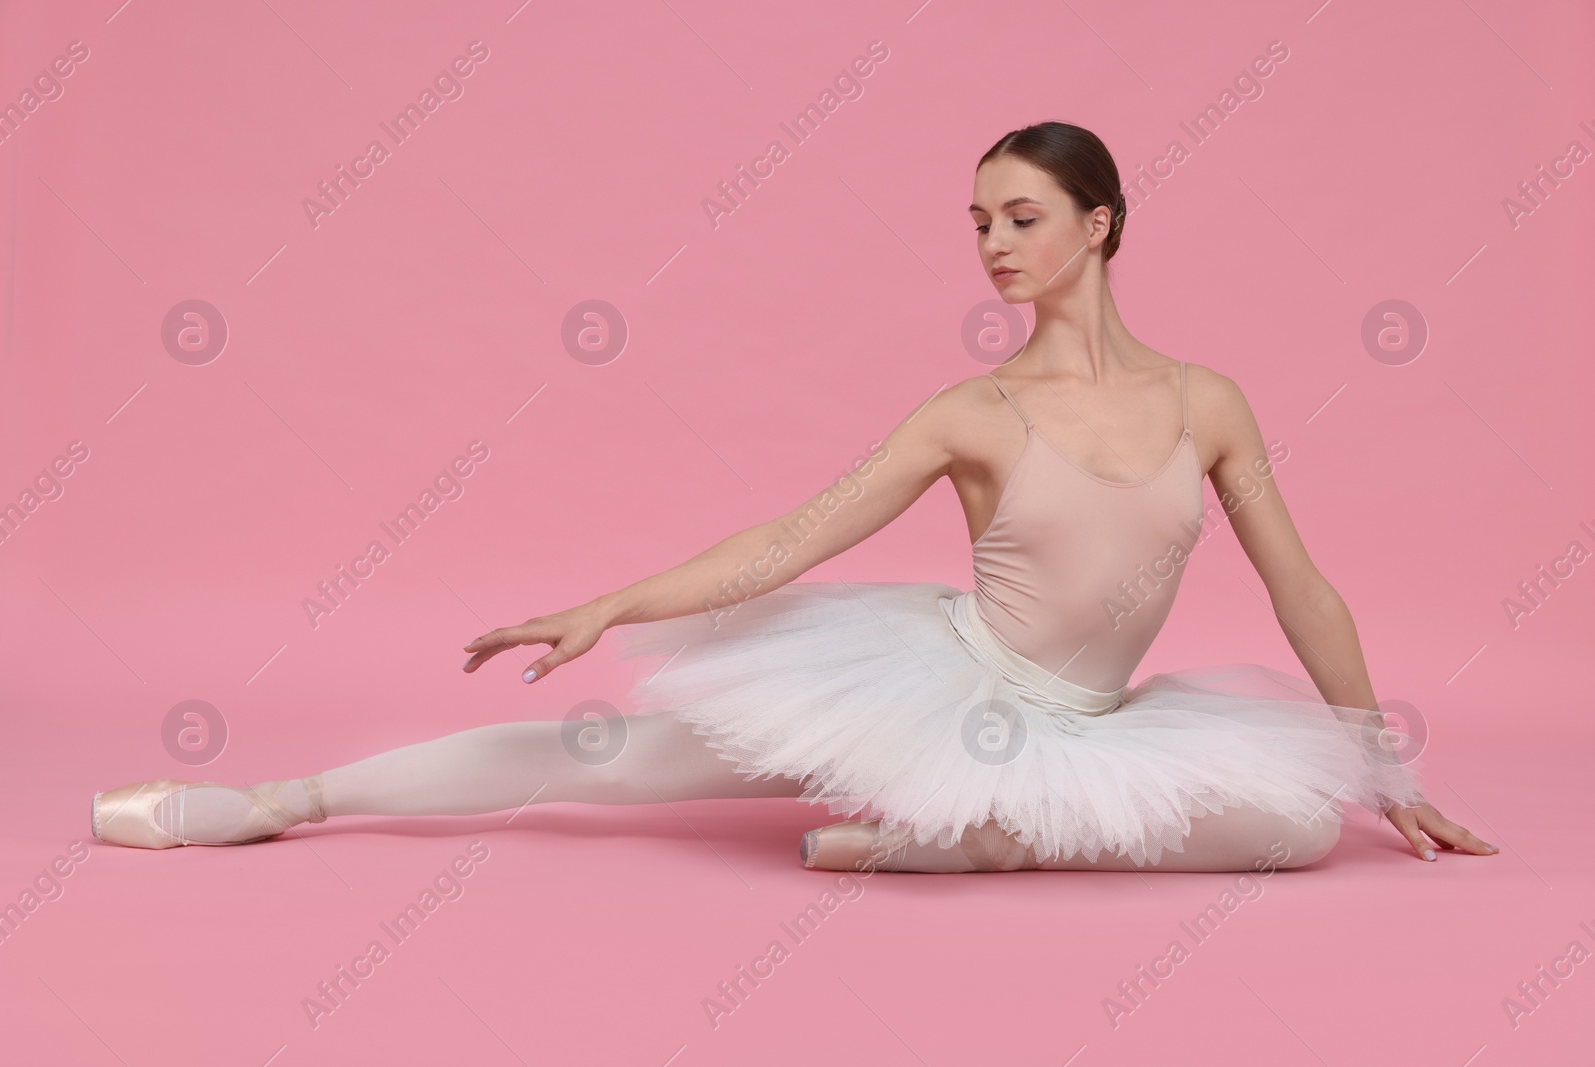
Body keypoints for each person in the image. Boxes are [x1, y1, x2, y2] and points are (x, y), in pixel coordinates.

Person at [92, 121, 1498, 874]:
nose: (993, 246)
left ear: (1100, 224)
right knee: (610, 767)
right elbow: (792, 536)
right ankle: (280, 800)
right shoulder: (973, 413)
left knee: (1306, 828)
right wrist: (612, 603)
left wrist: (1385, 761)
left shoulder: (1209, 401)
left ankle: (966, 848)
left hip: (1098, 724)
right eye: (978, 223)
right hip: (946, 687)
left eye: (1020, 217)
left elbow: (1300, 585)